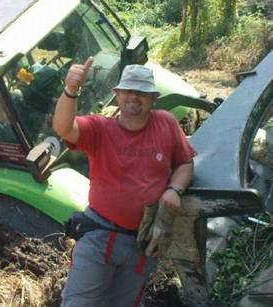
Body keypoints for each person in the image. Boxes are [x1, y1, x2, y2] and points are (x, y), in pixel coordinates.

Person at [53, 58, 195, 307]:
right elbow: (64, 129)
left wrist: (175, 189)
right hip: (99, 235)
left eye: (141, 92)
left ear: (153, 98)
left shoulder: (166, 124)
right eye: (127, 91)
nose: (133, 97)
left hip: (143, 242)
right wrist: (71, 91)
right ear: (117, 95)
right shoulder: (100, 128)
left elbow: (185, 162)